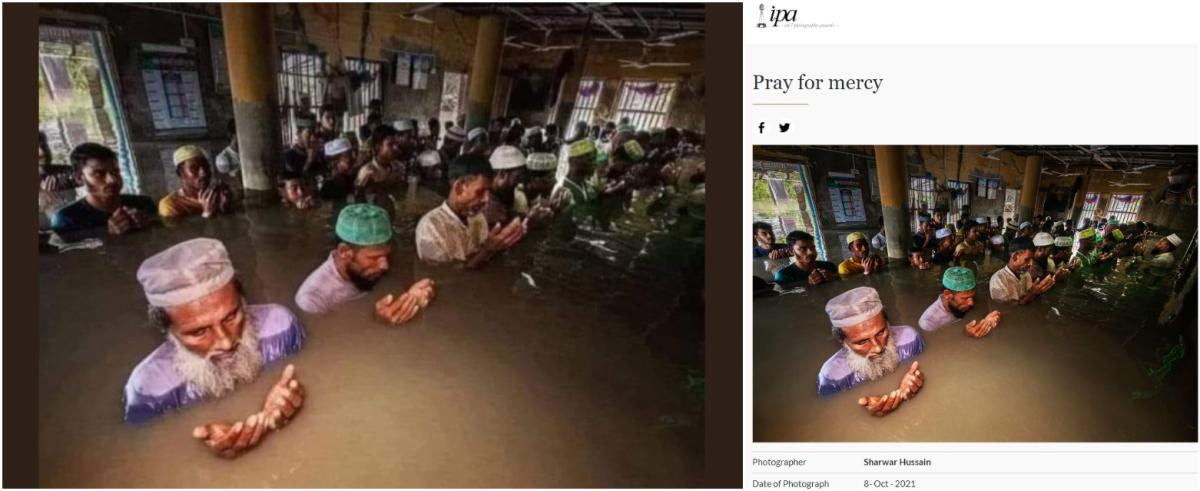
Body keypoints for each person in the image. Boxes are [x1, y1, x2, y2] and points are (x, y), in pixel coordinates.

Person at [125, 238, 305, 459]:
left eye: (231, 316)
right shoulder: (149, 388)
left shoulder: (279, 325)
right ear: (169, 331)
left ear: (242, 299)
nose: (226, 342)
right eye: (199, 332)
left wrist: (295, 402)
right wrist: (200, 454)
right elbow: (150, 459)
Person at [295, 204, 435, 323]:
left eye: (387, 255)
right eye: (374, 258)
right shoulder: (312, 300)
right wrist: (377, 323)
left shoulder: (374, 269)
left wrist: (409, 300)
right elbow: (333, 342)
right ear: (344, 252)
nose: (384, 265)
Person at [817, 287, 926, 418]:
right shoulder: (832, 376)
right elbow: (833, 418)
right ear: (843, 341)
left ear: (887, 323)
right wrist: (863, 413)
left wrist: (918, 382)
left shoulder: (909, 339)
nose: (878, 348)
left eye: (881, 333)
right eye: (862, 342)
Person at [415, 154, 526, 267]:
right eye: (480, 192)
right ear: (459, 188)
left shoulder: (478, 218)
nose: (486, 199)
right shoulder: (430, 227)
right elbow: (446, 277)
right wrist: (487, 251)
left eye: (488, 191)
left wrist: (499, 246)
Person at [50, 143, 156, 237]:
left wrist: (149, 227)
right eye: (99, 174)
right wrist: (107, 234)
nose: (112, 180)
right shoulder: (66, 219)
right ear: (79, 178)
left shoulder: (143, 204)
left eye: (115, 171)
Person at [919, 266, 1002, 337]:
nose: (971, 303)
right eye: (965, 298)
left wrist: (986, 322)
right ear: (947, 294)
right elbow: (941, 348)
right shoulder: (928, 323)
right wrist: (965, 335)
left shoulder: (967, 302)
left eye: (972, 297)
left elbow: (977, 314)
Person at [159, 145, 234, 220]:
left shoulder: (218, 195)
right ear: (181, 173)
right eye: (194, 168)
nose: (203, 173)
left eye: (206, 166)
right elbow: (181, 231)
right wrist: (207, 213)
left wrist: (225, 209)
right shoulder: (170, 205)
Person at [990, 236, 1055, 304]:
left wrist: (1037, 291)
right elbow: (1006, 309)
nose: (1031, 263)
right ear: (1015, 257)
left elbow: (1027, 299)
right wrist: (1033, 293)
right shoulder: (998, 280)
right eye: (1027, 260)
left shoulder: (1026, 275)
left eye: (1032, 259)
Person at [483, 145, 528, 227]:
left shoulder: (498, 194)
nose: (518, 183)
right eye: (517, 177)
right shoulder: (487, 204)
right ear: (502, 174)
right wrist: (529, 221)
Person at [773, 231, 838, 286]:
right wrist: (807, 284)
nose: (811, 252)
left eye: (812, 247)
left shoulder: (829, 266)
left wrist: (834, 279)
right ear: (791, 251)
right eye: (803, 249)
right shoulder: (783, 276)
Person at [318, 138, 356, 202]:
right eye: (347, 156)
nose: (352, 158)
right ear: (335, 161)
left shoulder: (348, 178)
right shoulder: (328, 186)